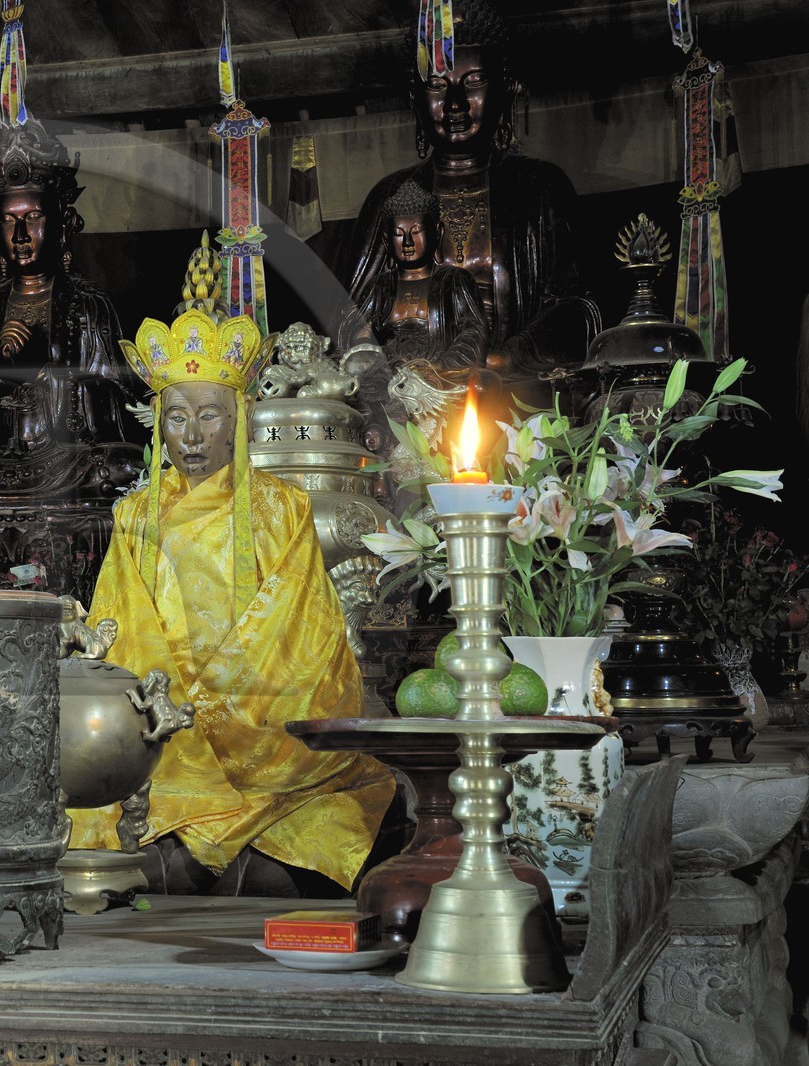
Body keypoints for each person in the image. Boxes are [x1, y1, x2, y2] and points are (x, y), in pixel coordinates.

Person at [67, 308, 396, 893]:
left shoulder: (281, 509)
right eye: (177, 418)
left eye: (210, 415)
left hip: (263, 736)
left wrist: (210, 707)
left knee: (308, 840)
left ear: (238, 420)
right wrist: (168, 713)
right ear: (157, 426)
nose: (192, 437)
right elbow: (116, 637)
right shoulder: (134, 516)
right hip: (163, 739)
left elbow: (301, 640)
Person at [345, 0, 598, 373]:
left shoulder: (539, 188)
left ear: (507, 88)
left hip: (510, 384)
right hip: (412, 388)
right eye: (436, 86)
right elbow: (351, 316)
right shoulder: (390, 197)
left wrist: (509, 357)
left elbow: (580, 308)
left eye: (475, 82)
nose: (455, 104)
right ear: (414, 98)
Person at [0, 118, 142, 485]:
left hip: (69, 462)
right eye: (9, 221)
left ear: (63, 224)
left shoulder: (88, 306)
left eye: (33, 218)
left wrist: (49, 376)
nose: (21, 235)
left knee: (125, 465)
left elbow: (120, 401)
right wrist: (2, 380)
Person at [341, 176, 488, 373]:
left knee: (482, 384)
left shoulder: (454, 281)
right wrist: (364, 338)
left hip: (438, 374)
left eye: (416, 231)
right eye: (399, 234)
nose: (408, 242)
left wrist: (441, 366)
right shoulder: (379, 286)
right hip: (386, 375)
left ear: (437, 233)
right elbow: (353, 331)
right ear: (387, 239)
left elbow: (473, 333)